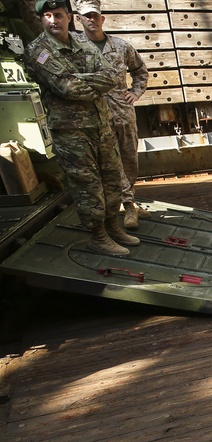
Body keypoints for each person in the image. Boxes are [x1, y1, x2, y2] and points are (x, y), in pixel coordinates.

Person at [25, 0, 134, 257]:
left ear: (69, 17)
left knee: (111, 179)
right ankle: (98, 236)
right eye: (48, 16)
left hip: (100, 124)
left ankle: (112, 227)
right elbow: (67, 88)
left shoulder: (82, 42)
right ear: (41, 19)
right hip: (71, 130)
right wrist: (86, 82)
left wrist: (79, 80)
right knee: (87, 184)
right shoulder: (37, 50)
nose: (54, 20)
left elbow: (112, 77)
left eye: (58, 15)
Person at [74, 0, 149, 231]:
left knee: (129, 160)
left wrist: (135, 93)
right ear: (79, 19)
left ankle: (129, 202)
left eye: (95, 16)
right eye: (86, 16)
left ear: (102, 19)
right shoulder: (74, 46)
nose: (91, 20)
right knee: (104, 162)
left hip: (122, 113)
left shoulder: (121, 46)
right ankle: (125, 205)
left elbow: (140, 71)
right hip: (93, 115)